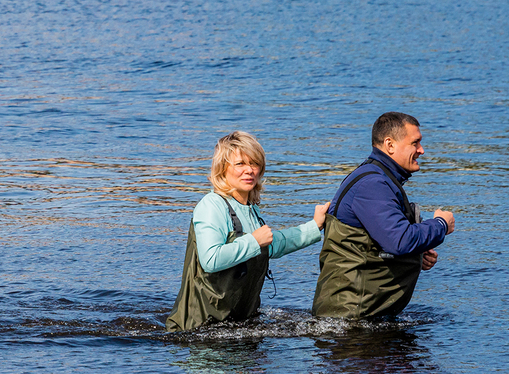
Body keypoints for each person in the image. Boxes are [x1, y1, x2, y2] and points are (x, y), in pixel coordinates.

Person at [167, 131, 329, 332]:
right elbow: (210, 259)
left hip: (236, 324)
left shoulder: (250, 208)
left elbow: (272, 244)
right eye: (240, 164)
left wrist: (315, 226)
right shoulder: (212, 205)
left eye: (254, 163)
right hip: (200, 329)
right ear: (222, 169)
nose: (249, 170)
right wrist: (253, 241)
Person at [312, 112, 456, 319]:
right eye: (415, 143)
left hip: (359, 315)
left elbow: (373, 243)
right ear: (390, 145)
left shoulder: (377, 178)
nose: (421, 151)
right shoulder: (372, 185)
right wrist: (441, 224)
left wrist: (417, 254)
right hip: (351, 320)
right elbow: (399, 240)